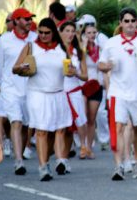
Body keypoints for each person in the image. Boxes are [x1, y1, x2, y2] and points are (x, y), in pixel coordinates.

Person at [98, 8, 137, 180]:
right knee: (119, 127)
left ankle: (136, 160)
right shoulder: (112, 43)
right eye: (126, 21)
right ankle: (118, 165)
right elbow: (100, 65)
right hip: (118, 92)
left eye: (132, 21)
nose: (129, 24)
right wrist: (108, 66)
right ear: (120, 23)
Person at [13, 18, 72, 181]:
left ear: (53, 33)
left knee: (60, 129)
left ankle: (60, 159)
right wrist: (22, 67)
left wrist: (72, 71)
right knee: (41, 131)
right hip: (37, 94)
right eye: (40, 32)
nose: (43, 35)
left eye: (47, 33)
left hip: (58, 93)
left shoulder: (61, 48)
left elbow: (69, 68)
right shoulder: (31, 46)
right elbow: (15, 67)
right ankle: (43, 167)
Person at [0, 8, 37, 175]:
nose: (29, 22)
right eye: (25, 19)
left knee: (26, 126)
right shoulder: (5, 40)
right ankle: (18, 161)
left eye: (30, 19)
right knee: (16, 122)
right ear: (16, 21)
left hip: (30, 88)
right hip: (10, 88)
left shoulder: (35, 38)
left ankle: (21, 154)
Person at [59, 21, 88, 164]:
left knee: (79, 119)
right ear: (61, 32)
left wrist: (75, 73)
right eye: (67, 30)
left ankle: (83, 145)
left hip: (74, 89)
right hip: (60, 91)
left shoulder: (79, 51)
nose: (70, 34)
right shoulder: (56, 50)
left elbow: (86, 76)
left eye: (72, 31)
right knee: (63, 125)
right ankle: (63, 155)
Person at [81, 22, 107, 158]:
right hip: (83, 84)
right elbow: (79, 62)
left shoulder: (101, 49)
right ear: (84, 34)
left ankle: (89, 147)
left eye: (93, 32)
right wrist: (84, 48)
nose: (91, 35)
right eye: (88, 33)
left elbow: (103, 68)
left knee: (92, 118)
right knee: (83, 116)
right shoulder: (80, 49)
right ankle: (82, 146)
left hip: (96, 85)